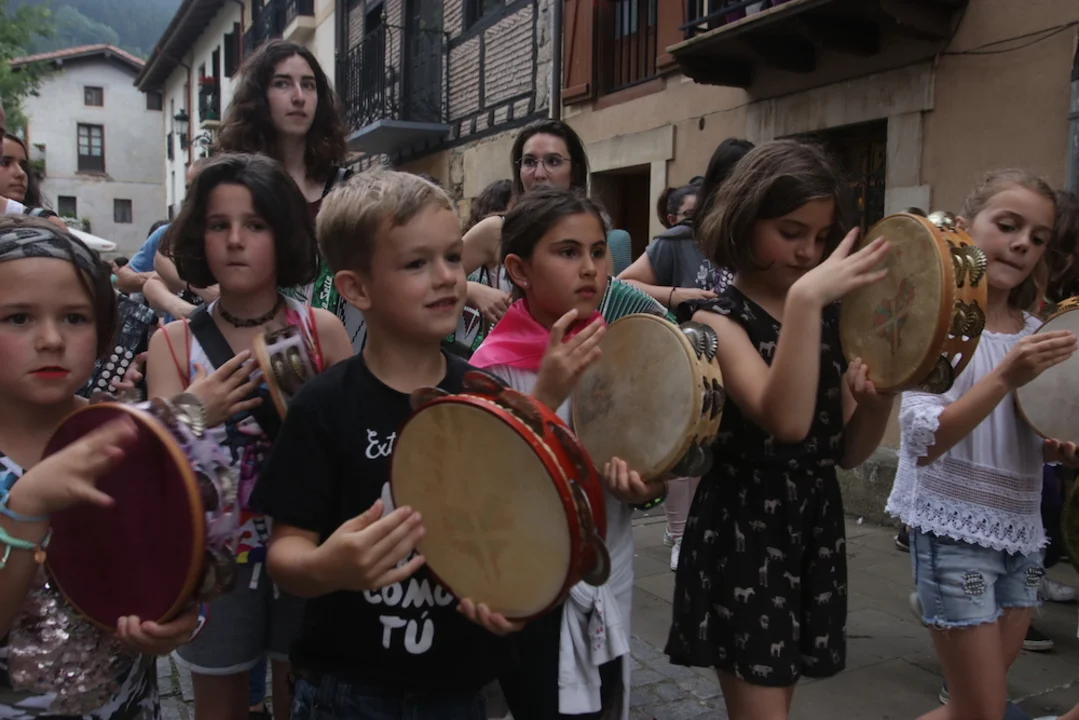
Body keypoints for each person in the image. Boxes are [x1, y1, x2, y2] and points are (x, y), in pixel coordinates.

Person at [252, 170, 553, 720]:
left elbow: (506, 522)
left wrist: (509, 592)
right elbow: (285, 553)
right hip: (347, 690)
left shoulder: (485, 395)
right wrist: (329, 566)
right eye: (416, 263)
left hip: (459, 687)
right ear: (356, 288)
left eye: (453, 257)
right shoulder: (323, 406)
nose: (447, 278)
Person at [664, 140, 896, 720]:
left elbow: (847, 452)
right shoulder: (718, 319)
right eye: (791, 232)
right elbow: (786, 420)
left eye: (821, 237)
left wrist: (878, 403)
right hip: (744, 529)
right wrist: (807, 301)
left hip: (813, 523)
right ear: (745, 221)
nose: (808, 252)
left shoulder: (833, 318)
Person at [147, 153, 353, 720]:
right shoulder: (173, 343)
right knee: (218, 699)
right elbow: (151, 458)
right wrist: (195, 411)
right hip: (215, 560)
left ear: (283, 234)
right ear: (200, 235)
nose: (236, 240)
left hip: (306, 545)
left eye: (256, 224)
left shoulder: (321, 330)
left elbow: (355, 440)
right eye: (219, 224)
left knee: (300, 691)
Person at [886, 169, 1078, 720]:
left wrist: (1056, 449)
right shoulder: (937, 326)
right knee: (982, 709)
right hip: (954, 532)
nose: (1022, 244)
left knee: (973, 709)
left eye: (1038, 237)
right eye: (1008, 226)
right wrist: (1006, 376)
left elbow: (1023, 432)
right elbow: (925, 441)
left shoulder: (1037, 333)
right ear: (966, 227)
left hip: (1022, 535)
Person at [470, 187, 664, 720]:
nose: (589, 269)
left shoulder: (619, 350)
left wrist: (645, 487)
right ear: (519, 270)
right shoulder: (491, 368)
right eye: (567, 252)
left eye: (598, 252)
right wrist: (545, 397)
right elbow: (486, 495)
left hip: (610, 577)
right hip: (532, 588)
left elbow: (650, 467)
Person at [0, 216, 200, 719]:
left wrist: (175, 616)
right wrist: (27, 507)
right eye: (18, 318)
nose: (51, 339)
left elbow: (163, 564)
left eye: (75, 318)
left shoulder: (120, 436)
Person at [214, 40, 358, 352]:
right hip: (252, 350)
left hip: (337, 349)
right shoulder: (232, 184)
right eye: (282, 83)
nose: (298, 97)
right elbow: (174, 256)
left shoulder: (345, 187)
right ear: (258, 97)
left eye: (308, 85)